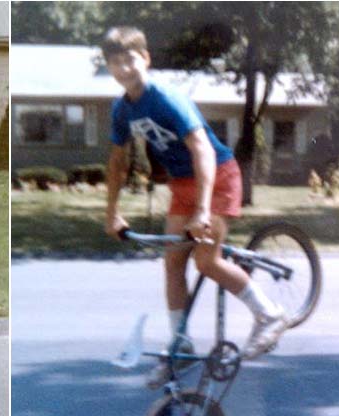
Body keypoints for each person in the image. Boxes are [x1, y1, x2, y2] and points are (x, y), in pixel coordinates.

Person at [101, 27, 287, 388]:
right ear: (108, 67)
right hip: (183, 182)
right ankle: (181, 346)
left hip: (216, 176)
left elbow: (201, 149)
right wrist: (112, 212)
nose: (124, 68)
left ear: (146, 58)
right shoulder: (122, 109)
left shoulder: (166, 98)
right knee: (172, 261)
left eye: (130, 59)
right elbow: (117, 161)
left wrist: (202, 210)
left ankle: (270, 314)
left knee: (205, 259)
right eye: (115, 62)